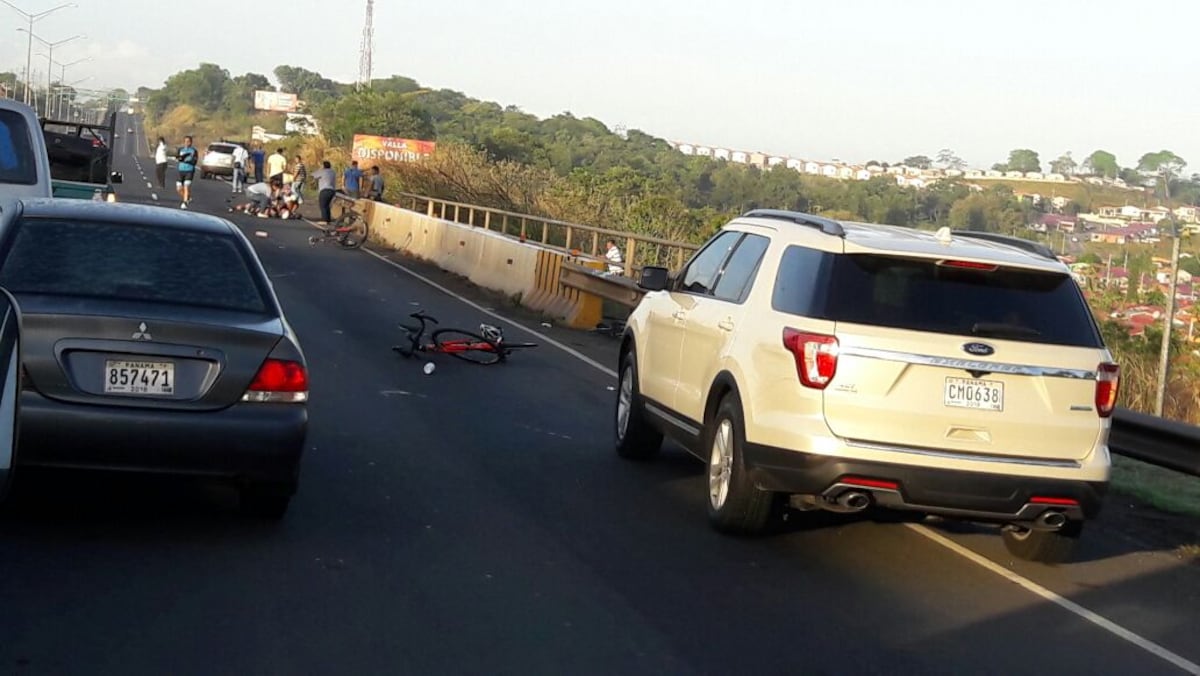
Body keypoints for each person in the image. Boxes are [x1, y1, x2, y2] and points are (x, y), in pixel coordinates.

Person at [175, 136, 199, 209]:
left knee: (186, 186)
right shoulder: (180, 149)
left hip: (189, 171)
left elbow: (194, 161)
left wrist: (187, 160)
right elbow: (177, 157)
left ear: (191, 142)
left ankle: (185, 202)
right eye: (185, 141)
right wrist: (180, 158)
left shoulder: (194, 151)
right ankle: (187, 197)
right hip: (181, 170)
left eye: (188, 141)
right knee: (179, 188)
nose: (186, 143)